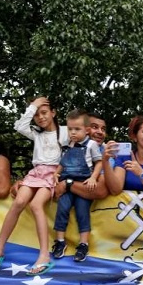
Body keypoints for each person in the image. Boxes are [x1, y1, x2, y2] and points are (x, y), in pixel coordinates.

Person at [0, 97, 68, 275]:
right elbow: (20, 126)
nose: (40, 117)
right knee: (18, 202)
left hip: (53, 174)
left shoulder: (65, 132)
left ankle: (44, 255)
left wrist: (64, 179)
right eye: (37, 114)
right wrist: (33, 106)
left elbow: (80, 146)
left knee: (36, 205)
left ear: (53, 113)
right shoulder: (36, 133)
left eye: (44, 112)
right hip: (36, 172)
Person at [51, 109, 103, 263]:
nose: (73, 132)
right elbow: (63, 163)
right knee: (62, 209)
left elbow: (99, 162)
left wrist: (94, 177)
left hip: (83, 183)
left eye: (77, 129)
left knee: (82, 212)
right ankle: (60, 241)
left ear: (87, 130)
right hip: (66, 182)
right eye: (70, 129)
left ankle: (83, 244)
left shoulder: (92, 144)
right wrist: (56, 174)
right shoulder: (68, 145)